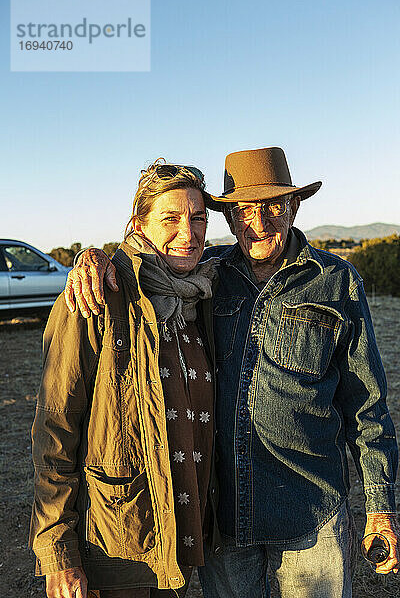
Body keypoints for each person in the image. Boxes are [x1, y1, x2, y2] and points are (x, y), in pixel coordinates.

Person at [64, 147, 399, 598]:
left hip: (311, 513)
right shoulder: (208, 276)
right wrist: (93, 258)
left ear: (295, 206)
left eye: (273, 208)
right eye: (243, 210)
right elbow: (142, 268)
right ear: (227, 216)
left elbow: (367, 404)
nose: (258, 224)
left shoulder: (336, 280)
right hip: (226, 516)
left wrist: (379, 507)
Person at [29, 160, 221, 598]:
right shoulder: (96, 296)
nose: (187, 234)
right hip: (116, 541)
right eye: (170, 218)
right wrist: (58, 551)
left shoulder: (205, 292)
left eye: (197, 218)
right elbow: (54, 428)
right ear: (139, 224)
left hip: (184, 532)